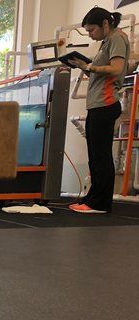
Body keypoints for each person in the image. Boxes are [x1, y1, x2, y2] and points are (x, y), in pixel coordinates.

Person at [68, 7, 130, 214]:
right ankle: (93, 198)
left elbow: (116, 68)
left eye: (92, 30)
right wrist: (86, 65)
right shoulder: (106, 42)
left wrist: (88, 67)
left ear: (105, 24)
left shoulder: (117, 38)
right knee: (94, 156)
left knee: (101, 155)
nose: (90, 34)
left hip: (106, 103)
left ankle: (101, 203)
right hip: (97, 104)